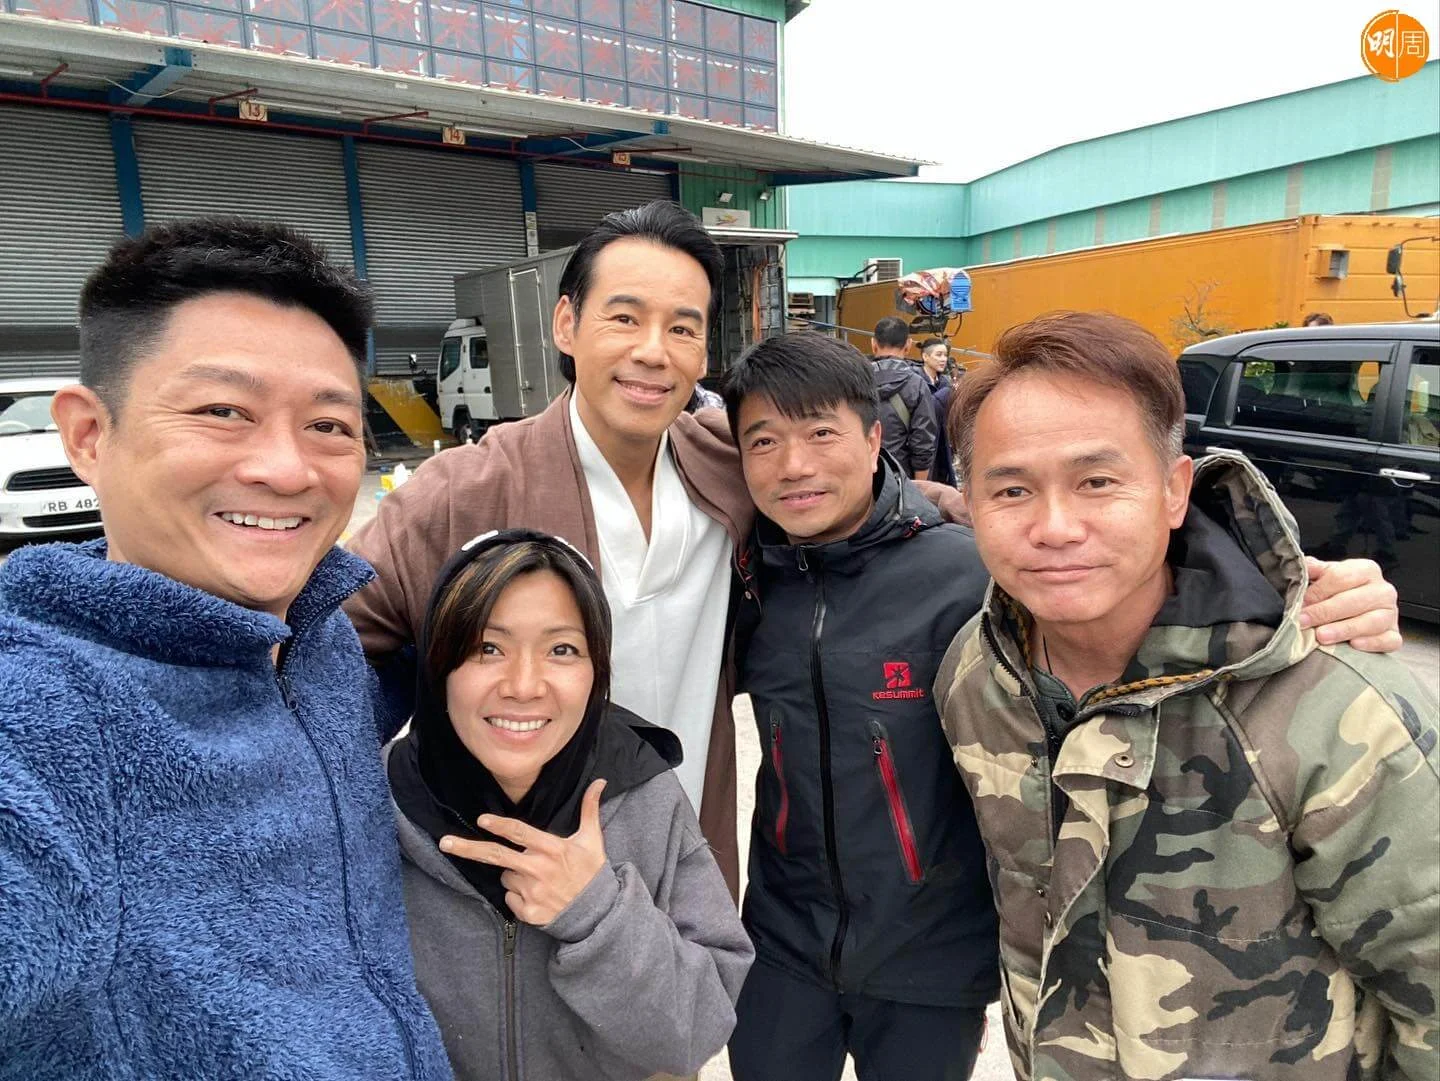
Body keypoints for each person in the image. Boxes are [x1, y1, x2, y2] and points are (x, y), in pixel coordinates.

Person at [935, 311, 1439, 1081]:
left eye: (1097, 481)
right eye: (1011, 489)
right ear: (970, 501)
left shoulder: (1334, 707)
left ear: (1175, 490)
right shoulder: (979, 674)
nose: (1055, 526)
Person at [0, 220, 450, 1079]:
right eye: (223, 411)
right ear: (89, 434)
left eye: (327, 424)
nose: (287, 469)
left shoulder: (317, 641)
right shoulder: (40, 718)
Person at [347, 201, 754, 892]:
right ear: (566, 323)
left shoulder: (729, 468)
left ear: (704, 352)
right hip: (520, 882)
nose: (653, 351)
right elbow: (327, 627)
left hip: (689, 860)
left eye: (682, 328)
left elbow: (856, 494)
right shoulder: (469, 489)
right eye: (624, 318)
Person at [720, 333, 996, 1081]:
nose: (794, 465)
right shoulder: (745, 576)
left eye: (821, 433)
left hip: (930, 955)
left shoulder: (967, 576)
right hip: (782, 942)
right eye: (763, 441)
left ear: (875, 439)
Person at [386, 529, 752, 1080]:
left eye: (561, 650)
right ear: (438, 665)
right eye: (487, 647)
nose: (524, 686)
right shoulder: (376, 801)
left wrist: (594, 912)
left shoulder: (644, 795)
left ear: (597, 670)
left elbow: (700, 1027)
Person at [868, 315, 937, 480]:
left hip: (861, 474)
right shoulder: (917, 385)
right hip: (900, 477)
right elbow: (923, 442)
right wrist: (918, 488)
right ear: (908, 345)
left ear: (873, 344)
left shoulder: (854, 381)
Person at [918, 337, 958, 485]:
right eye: (938, 355)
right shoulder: (916, 382)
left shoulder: (945, 382)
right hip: (924, 444)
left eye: (945, 355)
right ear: (925, 356)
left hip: (943, 444)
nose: (943, 359)